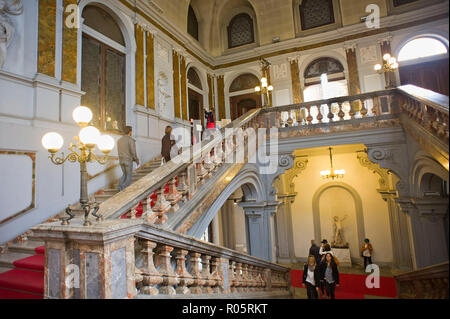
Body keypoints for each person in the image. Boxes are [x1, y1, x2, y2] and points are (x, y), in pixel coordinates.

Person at [117, 126, 140, 191]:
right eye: (131, 131)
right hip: (128, 160)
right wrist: (136, 160)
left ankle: (119, 187)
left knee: (124, 174)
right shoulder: (130, 140)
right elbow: (133, 151)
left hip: (121, 160)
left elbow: (119, 151)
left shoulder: (119, 140)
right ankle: (124, 189)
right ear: (130, 131)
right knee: (129, 175)